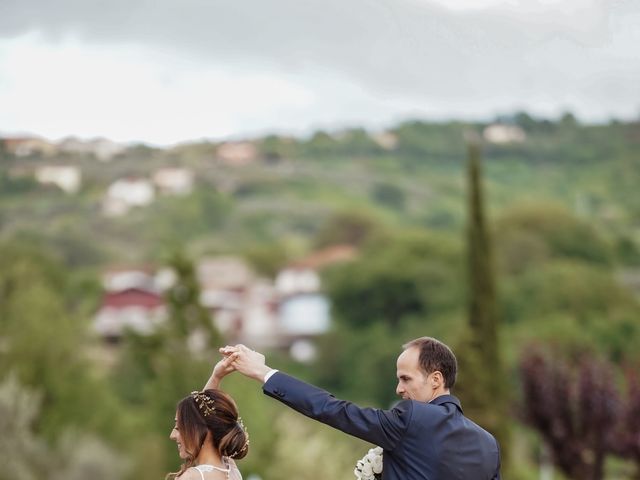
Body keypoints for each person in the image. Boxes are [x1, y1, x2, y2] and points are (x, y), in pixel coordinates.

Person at [220, 336, 501, 480]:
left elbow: (333, 409)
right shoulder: (489, 445)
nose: (399, 390)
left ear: (436, 379)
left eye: (406, 379)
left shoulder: (413, 418)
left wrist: (264, 372)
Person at [168, 357, 247, 480]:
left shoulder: (191, 477)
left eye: (179, 427)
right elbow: (203, 416)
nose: (172, 435)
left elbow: (202, 416)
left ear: (199, 428)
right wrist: (216, 377)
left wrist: (216, 377)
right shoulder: (232, 471)